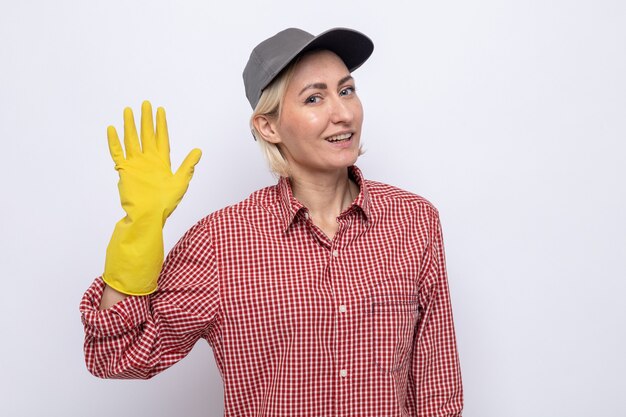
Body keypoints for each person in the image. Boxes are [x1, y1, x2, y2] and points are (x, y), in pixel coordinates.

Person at [80, 27, 464, 416]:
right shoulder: (222, 241)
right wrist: (140, 227)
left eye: (346, 90)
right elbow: (115, 356)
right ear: (269, 126)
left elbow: (436, 385)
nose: (343, 113)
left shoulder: (414, 221)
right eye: (314, 98)